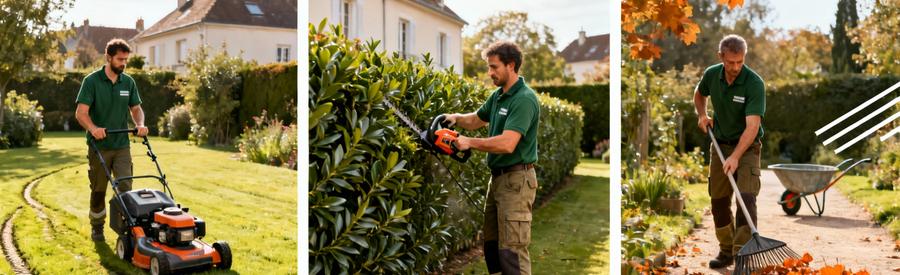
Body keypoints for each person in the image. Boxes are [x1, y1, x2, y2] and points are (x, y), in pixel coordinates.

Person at [444, 41, 540, 275]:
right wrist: (456, 117)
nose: (490, 72)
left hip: (517, 181)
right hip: (498, 180)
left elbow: (508, 143)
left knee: (512, 252)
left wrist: (469, 142)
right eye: (489, 67)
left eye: (494, 67)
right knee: (493, 248)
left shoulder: (524, 99)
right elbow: (477, 119)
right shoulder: (498, 96)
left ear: (511, 65)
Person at [693, 34, 766, 268]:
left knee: (746, 198)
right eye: (730, 62)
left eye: (740, 62)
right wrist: (702, 115)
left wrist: (735, 156)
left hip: (748, 147)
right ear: (721, 57)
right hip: (720, 145)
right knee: (718, 200)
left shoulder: (754, 83)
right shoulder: (712, 74)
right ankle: (726, 251)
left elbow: (752, 127)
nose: (735, 67)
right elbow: (699, 94)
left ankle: (743, 255)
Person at [74, 38, 149, 241]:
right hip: (99, 146)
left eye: (126, 60)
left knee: (125, 187)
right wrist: (93, 129)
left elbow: (136, 108)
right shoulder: (92, 81)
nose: (123, 63)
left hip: (122, 145)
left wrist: (140, 124)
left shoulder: (128, 82)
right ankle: (97, 226)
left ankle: (126, 228)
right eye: (120, 59)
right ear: (108, 57)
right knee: (98, 190)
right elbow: (81, 113)